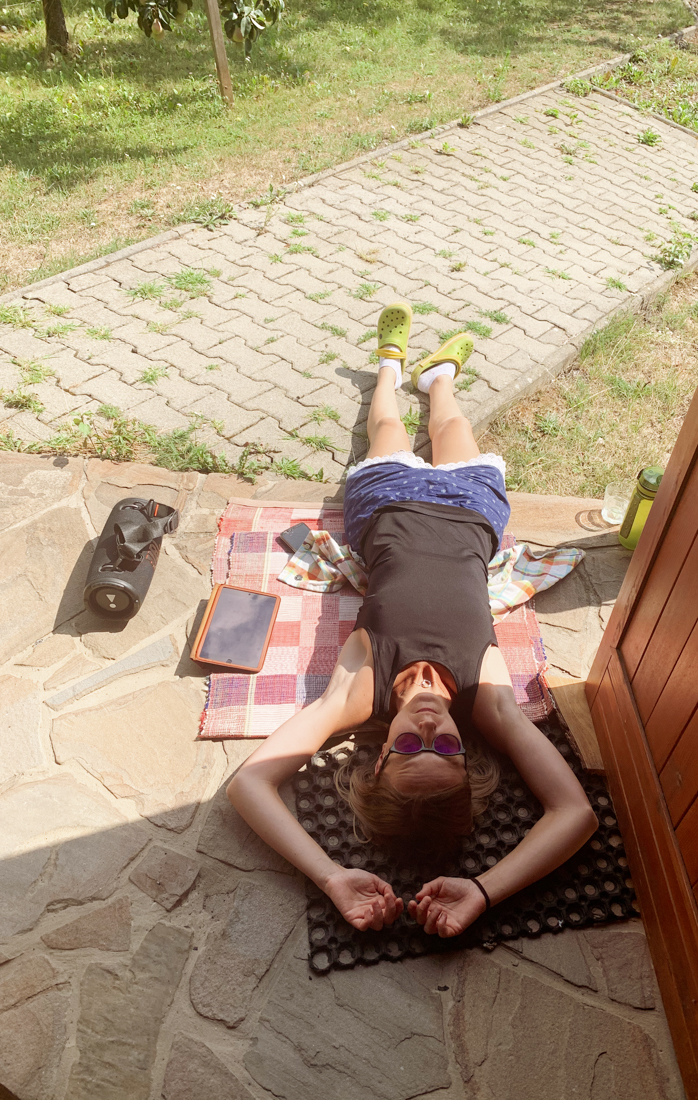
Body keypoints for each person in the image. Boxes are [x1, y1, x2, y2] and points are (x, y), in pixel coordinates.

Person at [227, 304, 597, 938]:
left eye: (407, 748)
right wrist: (484, 891)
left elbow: (250, 783)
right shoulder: (489, 701)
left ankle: (389, 366)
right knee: (452, 421)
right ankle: (440, 375)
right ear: (467, 757)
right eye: (446, 748)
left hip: (387, 503)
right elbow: (575, 814)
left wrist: (330, 876)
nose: (429, 729)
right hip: (473, 512)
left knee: (387, 425)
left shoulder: (357, 695)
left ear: (377, 760)